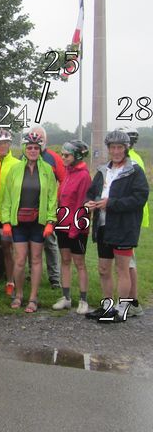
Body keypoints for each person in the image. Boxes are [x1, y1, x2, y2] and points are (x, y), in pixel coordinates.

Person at [84, 130, 149, 322]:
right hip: (103, 226)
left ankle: (122, 309)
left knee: (122, 269)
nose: (116, 151)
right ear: (109, 149)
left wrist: (110, 203)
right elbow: (92, 192)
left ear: (126, 149)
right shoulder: (103, 170)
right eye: (112, 147)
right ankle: (107, 306)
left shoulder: (134, 170)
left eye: (120, 147)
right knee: (104, 269)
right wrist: (90, 202)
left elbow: (139, 198)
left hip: (124, 227)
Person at [1, 132, 57, 313]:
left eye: (36, 148)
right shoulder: (15, 169)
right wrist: (6, 221)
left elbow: (52, 198)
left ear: (41, 149)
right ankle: (18, 294)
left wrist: (50, 221)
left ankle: (33, 298)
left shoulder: (47, 170)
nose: (33, 151)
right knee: (19, 260)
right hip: (18, 221)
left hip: (38, 221)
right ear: (24, 149)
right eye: (29, 147)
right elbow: (7, 197)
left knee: (36, 259)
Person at [52, 140, 91, 314]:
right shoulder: (67, 172)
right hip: (62, 225)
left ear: (76, 156)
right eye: (62, 154)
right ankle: (66, 297)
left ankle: (83, 300)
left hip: (77, 227)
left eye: (66, 155)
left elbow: (82, 205)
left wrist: (75, 229)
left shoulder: (83, 176)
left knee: (79, 263)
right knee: (65, 261)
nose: (63, 158)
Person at [29, 125, 65, 288]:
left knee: (49, 242)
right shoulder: (26, 157)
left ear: (45, 140)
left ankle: (54, 278)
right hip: (29, 207)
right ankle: (31, 273)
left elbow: (64, 180)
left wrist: (56, 199)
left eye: (40, 138)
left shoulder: (53, 158)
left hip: (48, 208)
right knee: (30, 242)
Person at [117, 126, 148, 317]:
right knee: (128, 262)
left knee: (127, 263)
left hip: (130, 217)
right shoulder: (134, 157)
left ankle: (132, 302)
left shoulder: (132, 162)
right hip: (131, 216)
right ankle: (133, 301)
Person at [0, 129, 20, 296]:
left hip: (7, 214)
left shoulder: (16, 164)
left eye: (5, 142)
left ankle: (10, 282)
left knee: (8, 248)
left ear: (9, 144)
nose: (2, 146)